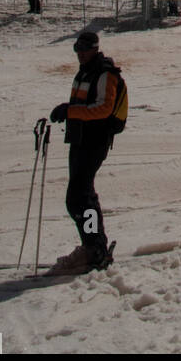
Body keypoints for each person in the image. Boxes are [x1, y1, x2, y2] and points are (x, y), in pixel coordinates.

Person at [48, 30, 124, 274]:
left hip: (95, 140)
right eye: (76, 50)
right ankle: (93, 246)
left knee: (79, 196)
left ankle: (93, 247)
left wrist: (70, 111)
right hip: (80, 139)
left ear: (94, 48)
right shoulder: (86, 72)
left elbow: (103, 109)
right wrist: (69, 112)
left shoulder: (105, 74)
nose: (79, 54)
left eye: (83, 49)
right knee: (80, 196)